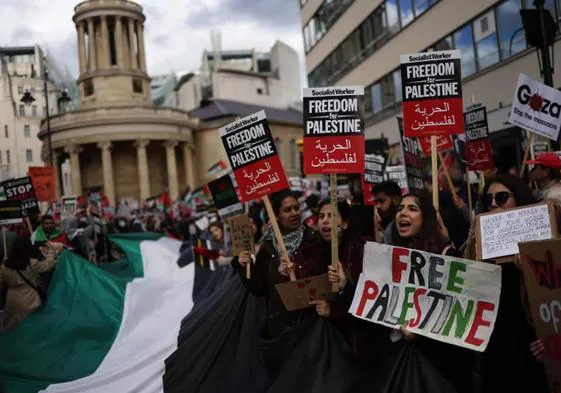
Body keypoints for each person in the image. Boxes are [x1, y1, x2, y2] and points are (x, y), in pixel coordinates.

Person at [464, 174, 549, 393]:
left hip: (529, 341)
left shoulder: (540, 242)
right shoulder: (477, 242)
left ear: (518, 199)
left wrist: (529, 271)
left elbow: (552, 294)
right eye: (488, 199)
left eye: (501, 197)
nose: (493, 203)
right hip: (494, 342)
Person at [389, 191, 473, 392]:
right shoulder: (390, 256)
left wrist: (421, 331)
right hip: (403, 362)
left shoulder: (448, 256)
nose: (403, 213)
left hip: (442, 367)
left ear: (426, 218)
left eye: (412, 209)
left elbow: (460, 313)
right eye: (400, 209)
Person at [233, 189, 325, 339]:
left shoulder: (313, 239)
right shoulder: (268, 247)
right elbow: (259, 289)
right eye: (287, 210)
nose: (294, 213)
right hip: (281, 329)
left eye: (296, 208)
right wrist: (245, 266)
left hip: (312, 326)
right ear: (276, 215)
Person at [0, 237, 61, 331]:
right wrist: (51, 251)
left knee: (13, 326)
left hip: (12, 298)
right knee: (30, 326)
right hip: (30, 297)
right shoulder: (32, 263)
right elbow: (48, 265)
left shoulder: (4, 264)